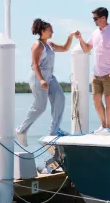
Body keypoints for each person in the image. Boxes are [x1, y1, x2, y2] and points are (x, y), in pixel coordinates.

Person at [15, 18, 78, 147]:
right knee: (40, 106)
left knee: (60, 98)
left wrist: (70, 36)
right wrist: (42, 79)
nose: (52, 32)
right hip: (39, 77)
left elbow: (65, 48)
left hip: (50, 77)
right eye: (50, 30)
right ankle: (21, 130)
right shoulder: (37, 45)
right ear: (43, 31)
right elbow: (35, 64)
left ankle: (54, 131)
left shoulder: (50, 45)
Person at [75, 6, 110, 133]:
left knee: (108, 98)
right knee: (96, 99)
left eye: (95, 18)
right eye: (93, 18)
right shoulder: (95, 33)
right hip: (96, 73)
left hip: (109, 73)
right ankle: (103, 126)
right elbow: (86, 49)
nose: (94, 21)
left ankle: (109, 126)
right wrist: (80, 39)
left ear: (103, 18)